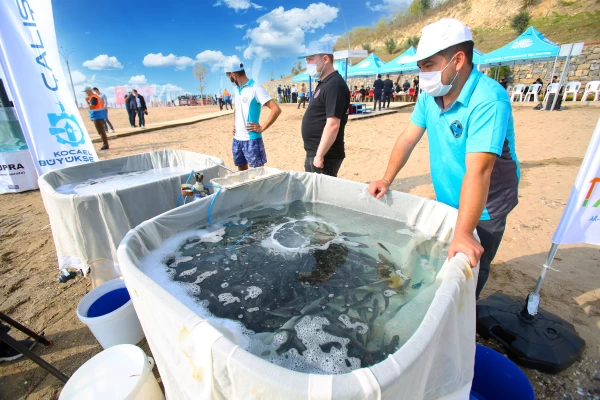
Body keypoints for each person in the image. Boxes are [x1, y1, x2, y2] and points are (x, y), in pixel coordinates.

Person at [368, 18, 519, 299]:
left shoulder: (489, 99)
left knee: (468, 269)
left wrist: (464, 232)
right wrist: (387, 178)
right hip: (448, 194)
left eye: (429, 66)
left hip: (487, 203)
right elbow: (407, 139)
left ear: (458, 60)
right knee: (437, 258)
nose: (423, 74)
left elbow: (480, 172)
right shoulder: (430, 95)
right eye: (420, 67)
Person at [299, 41, 350, 177]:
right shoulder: (325, 83)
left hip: (325, 156)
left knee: (320, 195)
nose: (308, 64)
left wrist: (320, 155)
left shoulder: (335, 85)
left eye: (310, 59)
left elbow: (333, 124)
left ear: (325, 59)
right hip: (315, 153)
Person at [226, 61, 281, 171]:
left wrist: (261, 128)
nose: (229, 79)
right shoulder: (236, 89)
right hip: (237, 139)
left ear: (233, 74)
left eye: (228, 76)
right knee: (242, 174)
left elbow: (276, 109)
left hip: (252, 139)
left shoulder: (256, 89)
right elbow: (237, 108)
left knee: (258, 175)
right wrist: (235, 125)